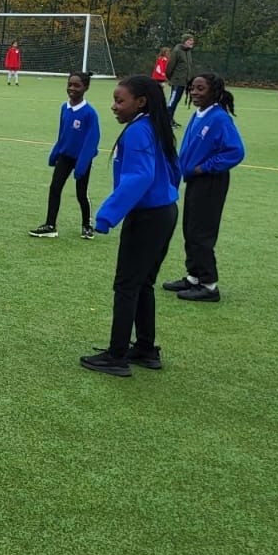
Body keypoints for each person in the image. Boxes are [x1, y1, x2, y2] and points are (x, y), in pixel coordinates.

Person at [81, 75, 180, 377]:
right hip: (164, 212)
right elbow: (173, 170)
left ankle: (117, 355)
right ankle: (146, 349)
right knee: (142, 283)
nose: (114, 106)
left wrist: (106, 215)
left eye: (119, 100)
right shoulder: (154, 125)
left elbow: (139, 177)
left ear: (141, 102)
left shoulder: (138, 130)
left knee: (126, 285)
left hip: (148, 217)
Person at [162, 72, 245, 304]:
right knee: (190, 228)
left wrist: (204, 167)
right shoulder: (200, 114)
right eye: (192, 88)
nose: (194, 93)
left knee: (202, 232)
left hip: (210, 182)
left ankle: (209, 285)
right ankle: (194, 277)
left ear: (214, 91)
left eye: (201, 89)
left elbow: (235, 151)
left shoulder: (220, 118)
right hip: (195, 181)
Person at [29, 72, 101, 240]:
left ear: (86, 88)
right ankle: (50, 225)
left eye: (77, 85)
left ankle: (87, 225)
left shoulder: (90, 113)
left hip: (82, 159)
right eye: (70, 84)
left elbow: (92, 141)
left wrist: (82, 164)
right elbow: (62, 133)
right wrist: (56, 152)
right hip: (65, 156)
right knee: (55, 188)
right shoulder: (64, 108)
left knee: (81, 193)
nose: (72, 88)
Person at [164, 34, 196, 126]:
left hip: (183, 82)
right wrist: (171, 79)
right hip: (177, 81)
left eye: (192, 40)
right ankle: (166, 120)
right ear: (184, 41)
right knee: (173, 101)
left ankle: (171, 119)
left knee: (176, 101)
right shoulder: (177, 51)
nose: (192, 42)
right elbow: (170, 66)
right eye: (189, 40)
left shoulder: (188, 52)